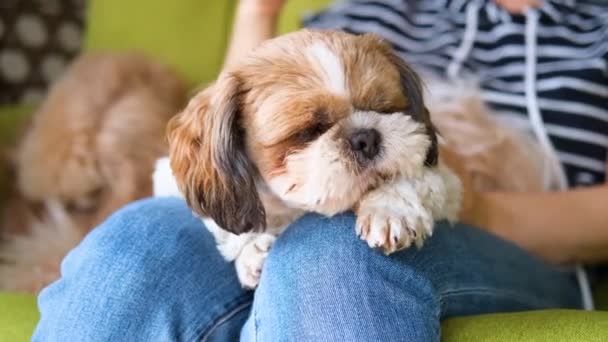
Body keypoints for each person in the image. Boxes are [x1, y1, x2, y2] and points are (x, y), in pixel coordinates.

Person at [33, 0, 607, 341]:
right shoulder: (368, 11)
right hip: (294, 206)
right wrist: (258, 10)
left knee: (335, 251)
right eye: (315, 129)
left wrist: (471, 202)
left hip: (512, 239)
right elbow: (246, 123)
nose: (364, 130)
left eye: (385, 110)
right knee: (134, 241)